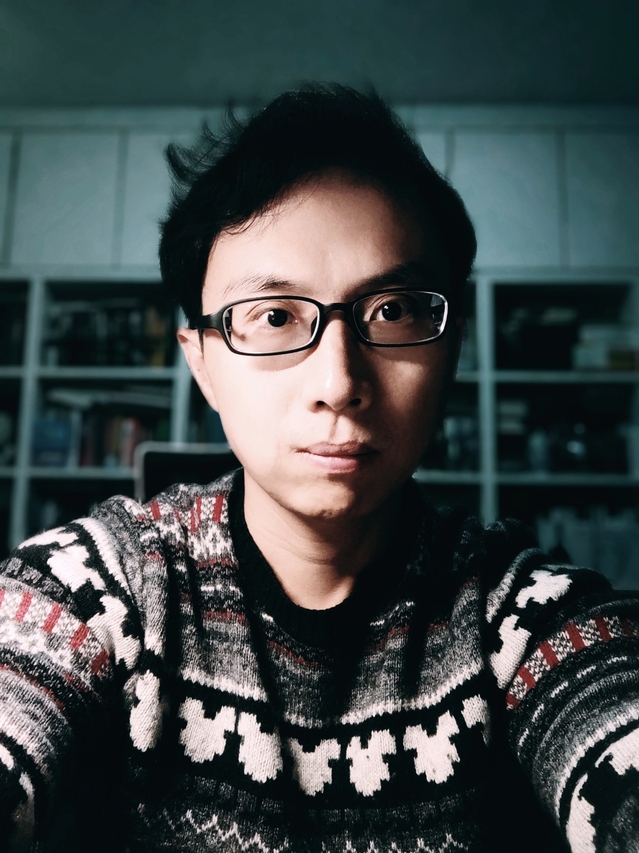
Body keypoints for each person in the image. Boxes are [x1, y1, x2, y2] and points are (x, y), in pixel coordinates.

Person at [0, 85, 638, 853]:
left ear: (451, 347)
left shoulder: (523, 615)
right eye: (274, 317)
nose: (338, 381)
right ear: (201, 365)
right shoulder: (105, 587)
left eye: (393, 310)